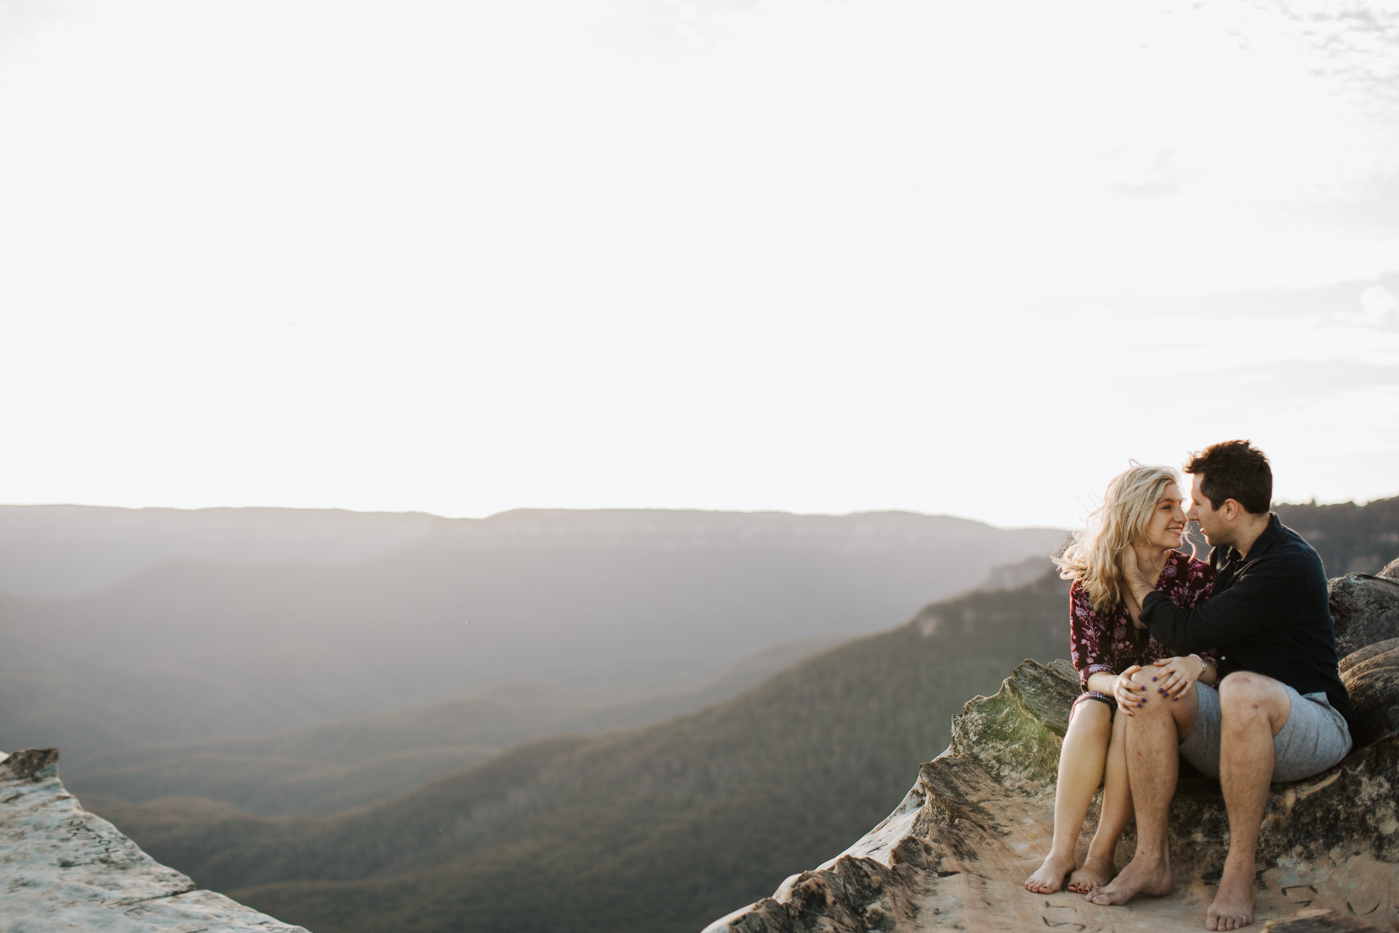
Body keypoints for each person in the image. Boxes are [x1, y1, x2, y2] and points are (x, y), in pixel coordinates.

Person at [1086, 441, 1356, 931]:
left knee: (1242, 689)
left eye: (1197, 503)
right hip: (1238, 721)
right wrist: (1189, 665)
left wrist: (1135, 581)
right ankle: (1152, 861)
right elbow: (1211, 650)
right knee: (1150, 684)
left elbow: (1191, 631)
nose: (1190, 515)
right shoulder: (1229, 557)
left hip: (1310, 724)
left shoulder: (1284, 565)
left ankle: (1239, 870)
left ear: (1230, 508)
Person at [1024, 464, 1218, 895]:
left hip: (1165, 713)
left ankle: (1101, 855)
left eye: (1181, 506)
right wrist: (1117, 685)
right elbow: (1090, 667)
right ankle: (1060, 853)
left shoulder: (1197, 579)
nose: (1181, 517)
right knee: (1092, 713)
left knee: (1134, 710)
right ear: (1133, 514)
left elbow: (1214, 658)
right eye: (1166, 506)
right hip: (1113, 694)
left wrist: (1191, 665)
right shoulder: (1092, 581)